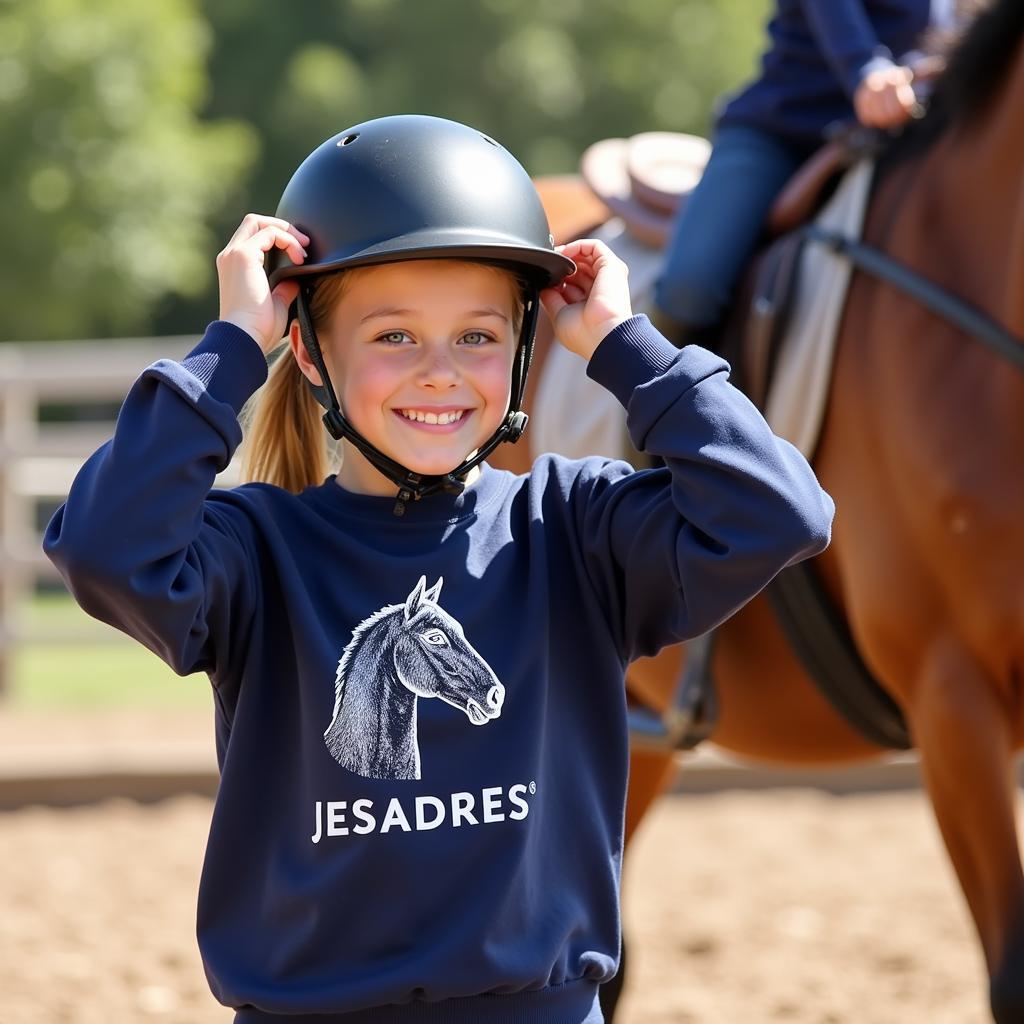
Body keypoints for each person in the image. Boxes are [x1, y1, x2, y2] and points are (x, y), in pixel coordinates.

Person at [44, 114, 834, 1024]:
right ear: (307, 351)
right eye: (392, 338)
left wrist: (626, 347)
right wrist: (229, 350)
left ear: (523, 350)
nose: (440, 374)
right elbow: (103, 549)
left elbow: (782, 511)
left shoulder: (572, 528)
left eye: (477, 337)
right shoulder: (255, 552)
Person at [652, 0, 945, 346]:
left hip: (903, 142)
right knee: (692, 285)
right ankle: (648, 382)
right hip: (783, 131)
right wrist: (866, 69)